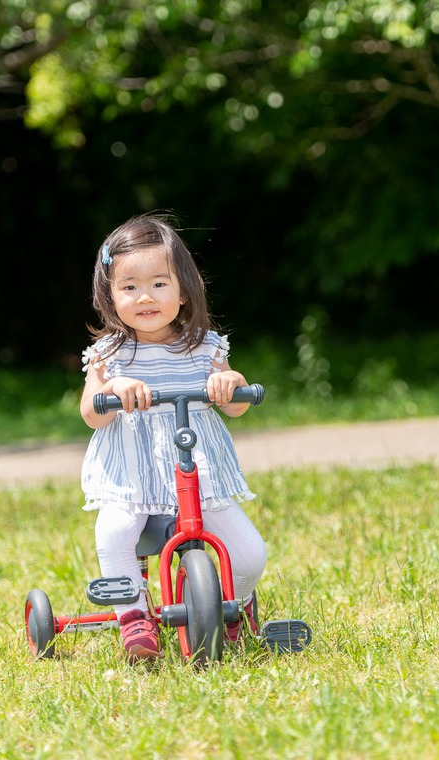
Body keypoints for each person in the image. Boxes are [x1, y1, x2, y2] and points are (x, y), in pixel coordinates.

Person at [79, 212, 266, 663]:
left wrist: (230, 382)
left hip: (199, 475)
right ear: (109, 296)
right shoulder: (109, 354)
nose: (145, 296)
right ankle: (133, 616)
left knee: (248, 554)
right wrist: (112, 390)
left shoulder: (205, 347)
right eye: (129, 287)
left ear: (184, 290)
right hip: (133, 477)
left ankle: (233, 606)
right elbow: (90, 413)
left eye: (159, 284)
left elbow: (236, 403)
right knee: (115, 532)